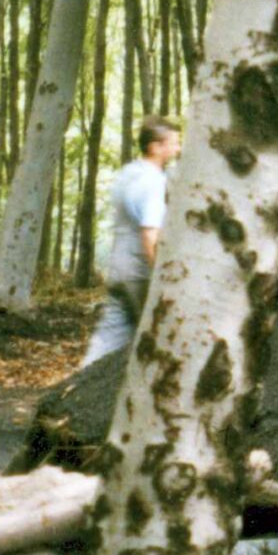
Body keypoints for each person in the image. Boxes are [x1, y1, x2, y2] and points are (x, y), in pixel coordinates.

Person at [83, 116, 180, 367]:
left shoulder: (128, 173)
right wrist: (160, 272)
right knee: (159, 339)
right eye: (173, 143)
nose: (177, 149)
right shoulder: (153, 182)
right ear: (155, 147)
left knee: (108, 339)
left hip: (119, 270)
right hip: (140, 273)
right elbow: (150, 233)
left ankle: (74, 390)